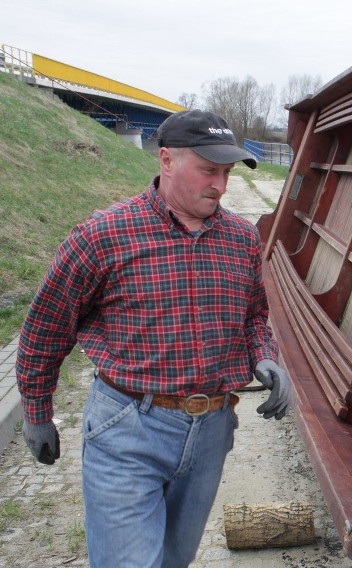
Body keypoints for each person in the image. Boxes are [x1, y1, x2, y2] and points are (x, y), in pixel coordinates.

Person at [16, 109, 292, 567]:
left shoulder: (242, 238)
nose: (220, 186)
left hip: (211, 432)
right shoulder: (103, 235)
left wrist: (265, 358)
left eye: (226, 173)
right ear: (166, 160)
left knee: (172, 560)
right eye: (208, 170)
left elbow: (254, 317)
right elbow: (46, 327)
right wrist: (36, 411)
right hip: (128, 428)